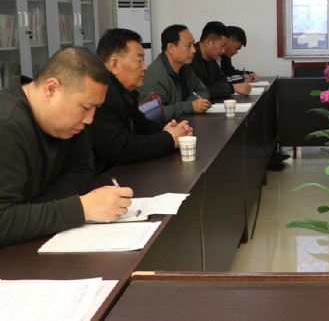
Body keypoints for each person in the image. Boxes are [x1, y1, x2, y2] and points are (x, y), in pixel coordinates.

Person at [0, 47, 133, 246]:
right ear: (51, 89)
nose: (89, 119)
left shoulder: (70, 125)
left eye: (96, 108)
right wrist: (81, 209)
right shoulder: (7, 126)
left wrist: (33, 212)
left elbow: (81, 170)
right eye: (86, 107)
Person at [88, 29, 193, 176]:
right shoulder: (101, 96)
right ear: (114, 65)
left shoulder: (123, 92)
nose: (145, 67)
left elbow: (141, 124)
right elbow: (122, 148)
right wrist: (168, 139)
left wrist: (169, 130)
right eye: (139, 60)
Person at [140, 24, 211, 121]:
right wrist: (189, 106)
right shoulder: (154, 76)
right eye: (188, 46)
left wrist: (192, 103)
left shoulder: (185, 68)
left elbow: (203, 90)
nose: (194, 50)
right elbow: (153, 114)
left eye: (193, 45)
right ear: (171, 48)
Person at [191, 21, 251, 98]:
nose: (223, 51)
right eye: (222, 46)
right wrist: (232, 88)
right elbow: (198, 92)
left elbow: (223, 81)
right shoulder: (191, 57)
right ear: (209, 42)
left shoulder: (211, 57)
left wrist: (227, 87)